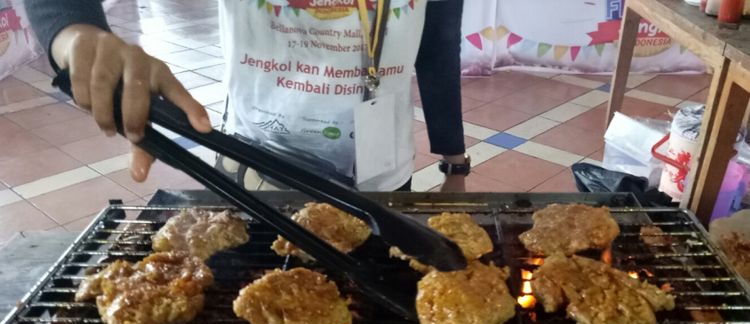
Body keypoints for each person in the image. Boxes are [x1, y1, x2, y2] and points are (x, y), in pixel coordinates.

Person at [25, 0, 470, 192]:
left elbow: (436, 43)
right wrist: (75, 29)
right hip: (257, 163)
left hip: (382, 173)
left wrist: (454, 161)